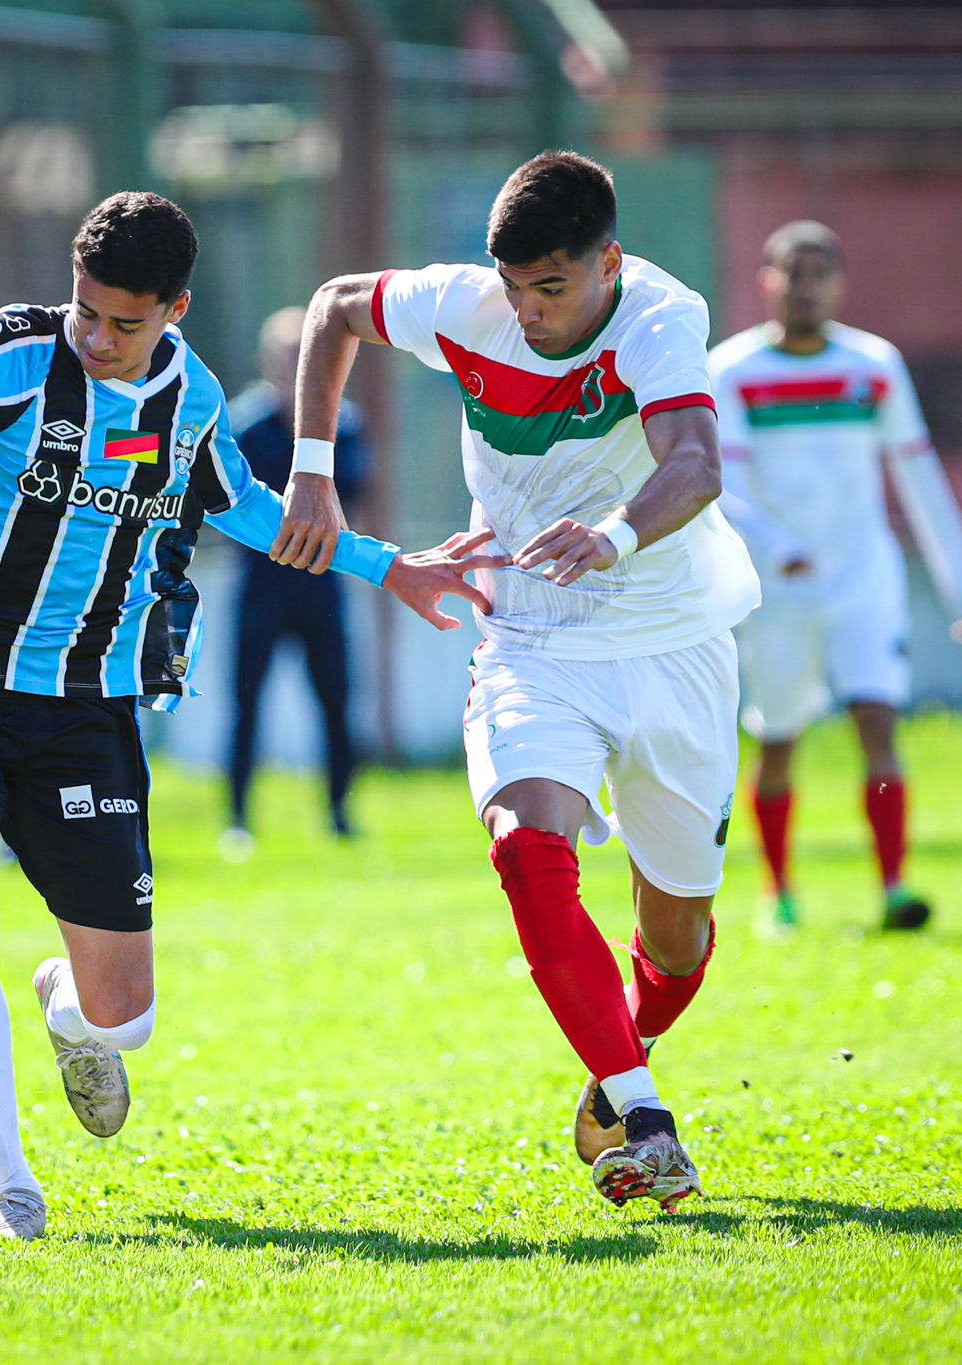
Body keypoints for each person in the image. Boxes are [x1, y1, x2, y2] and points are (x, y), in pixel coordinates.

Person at [0, 192, 500, 1241]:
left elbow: (249, 508)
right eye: (84, 310)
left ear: (174, 309)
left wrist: (385, 564)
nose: (95, 337)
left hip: (85, 712)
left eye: (123, 323)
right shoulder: (10, 351)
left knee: (123, 1020)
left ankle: (66, 1006)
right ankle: (9, 1190)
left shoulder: (191, 400)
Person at [273, 152, 761, 1213]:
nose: (528, 312)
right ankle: (646, 1119)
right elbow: (333, 307)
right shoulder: (466, 304)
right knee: (527, 850)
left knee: (676, 938)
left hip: (672, 642)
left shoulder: (660, 318)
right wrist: (312, 471)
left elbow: (694, 463)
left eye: (551, 287)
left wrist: (613, 533)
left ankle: (618, 1056)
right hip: (530, 636)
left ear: (608, 264)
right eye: (514, 287)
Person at [708, 221, 962, 932]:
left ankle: (894, 886)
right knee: (779, 736)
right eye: (792, 272)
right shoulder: (733, 370)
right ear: (766, 281)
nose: (806, 287)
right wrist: (776, 546)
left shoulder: (874, 364)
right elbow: (720, 483)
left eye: (820, 273)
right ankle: (779, 893)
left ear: (840, 283)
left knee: (878, 723)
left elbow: (918, 472)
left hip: (864, 575)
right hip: (776, 587)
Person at [221, 305, 372, 851]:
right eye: (285, 359)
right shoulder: (243, 424)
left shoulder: (344, 425)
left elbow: (355, 492)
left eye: (302, 359)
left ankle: (339, 813)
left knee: (336, 700)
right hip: (261, 586)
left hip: (320, 584)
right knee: (246, 702)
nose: (293, 369)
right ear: (268, 362)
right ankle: (238, 818)